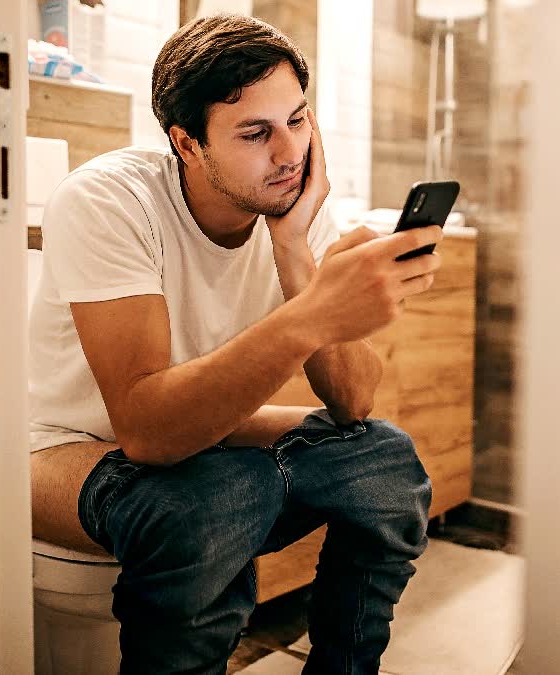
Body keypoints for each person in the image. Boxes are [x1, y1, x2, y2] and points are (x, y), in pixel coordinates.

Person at [27, 13, 445, 674]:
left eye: (298, 121)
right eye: (256, 133)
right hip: (63, 447)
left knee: (386, 460)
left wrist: (294, 251)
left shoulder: (291, 205)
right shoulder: (108, 201)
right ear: (187, 143)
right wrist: (312, 314)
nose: (290, 153)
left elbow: (354, 400)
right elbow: (146, 429)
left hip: (209, 445)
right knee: (212, 500)